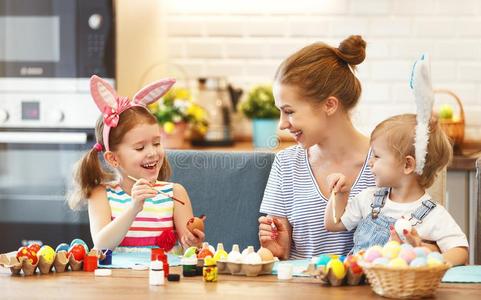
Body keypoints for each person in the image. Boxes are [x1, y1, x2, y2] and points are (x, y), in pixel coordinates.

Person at [258, 35, 376, 259]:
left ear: (329, 105)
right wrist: (275, 251)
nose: (282, 124)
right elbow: (277, 257)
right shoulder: (286, 165)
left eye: (289, 111)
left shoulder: (384, 163)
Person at [68, 75, 204, 251]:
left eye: (156, 143)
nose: (153, 152)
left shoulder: (175, 193)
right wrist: (133, 208)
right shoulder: (101, 194)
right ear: (113, 158)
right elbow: (101, 245)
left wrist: (194, 243)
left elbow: (192, 253)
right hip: (116, 279)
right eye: (140, 148)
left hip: (161, 278)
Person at [324, 114, 468, 265]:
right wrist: (340, 194)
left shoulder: (433, 214)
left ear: (407, 165)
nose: (370, 163)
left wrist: (428, 259)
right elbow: (333, 224)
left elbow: (460, 250)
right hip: (357, 285)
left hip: (400, 286)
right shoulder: (368, 198)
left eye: (377, 156)